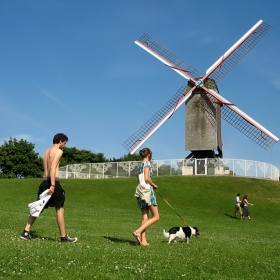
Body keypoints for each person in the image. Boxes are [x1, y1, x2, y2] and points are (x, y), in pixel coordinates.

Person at [20, 133, 77, 243]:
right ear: (60, 141)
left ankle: (26, 232)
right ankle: (64, 237)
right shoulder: (59, 151)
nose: (65, 145)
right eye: (65, 143)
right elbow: (52, 167)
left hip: (44, 182)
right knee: (59, 208)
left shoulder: (45, 152)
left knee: (38, 207)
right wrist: (53, 185)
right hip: (52, 182)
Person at [132, 148, 159, 246]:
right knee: (156, 217)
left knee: (145, 217)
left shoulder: (139, 166)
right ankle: (138, 232)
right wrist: (154, 185)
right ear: (149, 155)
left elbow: (140, 180)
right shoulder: (147, 164)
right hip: (147, 191)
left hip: (140, 191)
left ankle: (143, 241)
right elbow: (147, 178)